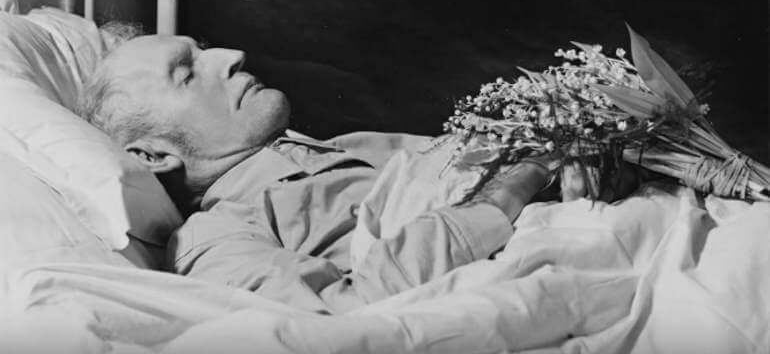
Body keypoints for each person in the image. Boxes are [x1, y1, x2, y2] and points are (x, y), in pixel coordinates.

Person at [80, 31, 566, 313]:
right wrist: (507, 192)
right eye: (187, 73)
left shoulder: (353, 148)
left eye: (205, 49)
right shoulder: (215, 239)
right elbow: (342, 320)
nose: (230, 56)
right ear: (152, 156)